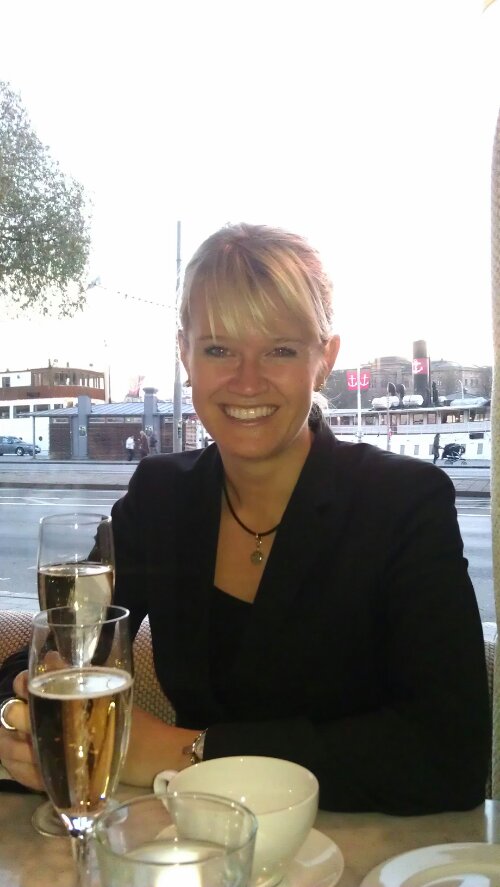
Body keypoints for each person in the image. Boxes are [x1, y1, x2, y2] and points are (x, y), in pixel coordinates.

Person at [0, 223, 490, 814]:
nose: (247, 380)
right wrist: (20, 722)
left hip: (361, 850)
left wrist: (190, 754)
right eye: (218, 349)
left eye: (280, 349)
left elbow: (450, 753)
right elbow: (62, 647)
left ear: (324, 359)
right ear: (185, 355)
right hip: (190, 845)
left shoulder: (402, 502)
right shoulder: (162, 498)